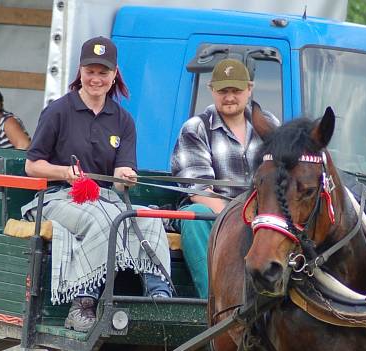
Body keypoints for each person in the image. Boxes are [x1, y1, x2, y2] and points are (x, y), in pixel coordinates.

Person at [24, 36, 172, 332]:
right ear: (80, 71)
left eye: (103, 73)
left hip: (105, 197)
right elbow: (32, 165)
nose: (96, 79)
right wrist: (65, 172)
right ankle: (81, 305)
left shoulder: (123, 120)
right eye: (90, 71)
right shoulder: (58, 111)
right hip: (58, 197)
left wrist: (125, 177)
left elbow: (120, 177)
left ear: (114, 74)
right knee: (104, 219)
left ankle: (160, 298)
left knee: (150, 220)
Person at [170, 58, 279, 298]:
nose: (229, 97)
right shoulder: (195, 128)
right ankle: (215, 302)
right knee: (195, 214)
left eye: (236, 90)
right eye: (223, 91)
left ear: (249, 89)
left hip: (260, 213)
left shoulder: (269, 124)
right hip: (215, 215)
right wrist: (240, 220)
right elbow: (200, 191)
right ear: (211, 91)